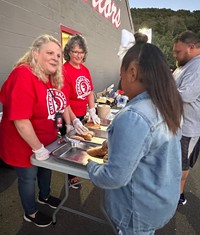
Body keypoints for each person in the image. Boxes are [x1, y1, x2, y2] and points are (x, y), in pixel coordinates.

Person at [87, 43, 183, 235]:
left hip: (138, 209)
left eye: (121, 75)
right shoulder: (167, 104)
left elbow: (114, 177)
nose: (121, 80)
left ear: (132, 71)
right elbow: (152, 147)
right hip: (160, 198)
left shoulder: (134, 116)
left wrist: (90, 167)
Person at [0, 34, 71, 227]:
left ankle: (45, 196)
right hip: (22, 143)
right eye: (50, 52)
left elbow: (60, 104)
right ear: (35, 53)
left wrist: (71, 124)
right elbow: (21, 121)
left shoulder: (51, 77)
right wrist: (38, 148)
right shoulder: (23, 74)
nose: (56, 57)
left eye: (58, 55)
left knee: (46, 170)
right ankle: (30, 212)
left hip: (46, 140)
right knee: (28, 177)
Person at [61, 34, 100, 188]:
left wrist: (92, 111)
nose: (78, 55)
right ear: (68, 52)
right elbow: (64, 100)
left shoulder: (85, 70)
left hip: (81, 113)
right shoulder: (64, 70)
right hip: (68, 115)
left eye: (81, 52)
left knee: (80, 143)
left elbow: (89, 91)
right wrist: (71, 122)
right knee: (71, 145)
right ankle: (71, 175)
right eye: (75, 51)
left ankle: (77, 167)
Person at [172, 30, 200, 206]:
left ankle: (178, 196)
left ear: (191, 47)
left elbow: (185, 95)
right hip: (179, 125)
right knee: (175, 161)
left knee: (182, 165)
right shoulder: (186, 64)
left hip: (189, 128)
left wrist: (160, 88)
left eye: (178, 51)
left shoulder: (197, 67)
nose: (175, 55)